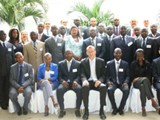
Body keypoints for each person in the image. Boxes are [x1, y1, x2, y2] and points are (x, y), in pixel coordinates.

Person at [130, 48, 160, 116]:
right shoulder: (133, 64)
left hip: (145, 83)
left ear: (144, 56)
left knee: (143, 86)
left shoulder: (147, 64)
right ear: (136, 56)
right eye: (138, 56)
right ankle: (153, 101)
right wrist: (139, 79)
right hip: (136, 83)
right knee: (145, 80)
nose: (140, 57)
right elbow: (132, 77)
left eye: (141, 55)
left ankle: (143, 107)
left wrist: (138, 78)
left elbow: (149, 77)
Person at [81, 45, 107, 120]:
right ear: (86, 53)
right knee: (84, 87)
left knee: (103, 87)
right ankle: (86, 111)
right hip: (88, 82)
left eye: (92, 51)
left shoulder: (101, 61)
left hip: (97, 81)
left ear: (95, 52)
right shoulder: (83, 61)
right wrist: (84, 80)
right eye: (89, 52)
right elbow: (82, 74)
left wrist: (99, 81)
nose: (91, 53)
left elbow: (103, 74)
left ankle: (101, 111)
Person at [57, 50, 82, 118]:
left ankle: (77, 109)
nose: (68, 55)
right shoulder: (60, 64)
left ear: (72, 54)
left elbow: (79, 76)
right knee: (59, 90)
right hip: (65, 83)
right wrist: (62, 81)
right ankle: (62, 110)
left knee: (80, 89)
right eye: (67, 54)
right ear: (64, 55)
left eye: (70, 53)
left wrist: (76, 81)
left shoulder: (78, 63)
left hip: (74, 83)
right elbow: (59, 76)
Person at [106, 48, 130, 115]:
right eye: (116, 53)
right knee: (109, 90)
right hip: (113, 83)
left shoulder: (125, 64)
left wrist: (126, 82)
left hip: (122, 83)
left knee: (126, 90)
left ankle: (121, 108)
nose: (118, 54)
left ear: (121, 54)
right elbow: (107, 76)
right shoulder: (109, 63)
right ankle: (114, 108)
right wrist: (108, 82)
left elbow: (128, 76)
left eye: (119, 53)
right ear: (114, 54)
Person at [0, 30, 15, 110]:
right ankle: (2, 103)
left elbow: (13, 58)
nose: (4, 36)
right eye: (2, 34)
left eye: (5, 34)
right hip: (1, 71)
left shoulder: (10, 45)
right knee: (1, 87)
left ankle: (7, 101)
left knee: (7, 87)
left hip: (9, 70)